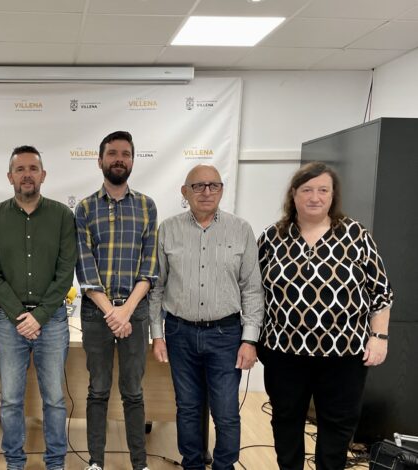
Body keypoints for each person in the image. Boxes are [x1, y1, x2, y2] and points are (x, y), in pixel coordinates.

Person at [257, 162, 393, 470]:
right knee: (285, 421)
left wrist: (379, 337)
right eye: (307, 190)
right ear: (293, 195)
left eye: (323, 190)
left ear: (333, 195)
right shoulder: (272, 237)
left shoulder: (356, 235)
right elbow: (254, 293)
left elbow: (381, 292)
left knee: (338, 425)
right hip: (284, 352)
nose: (315, 197)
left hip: (344, 355)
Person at [150, 164, 264, 470]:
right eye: (198, 186)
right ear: (184, 192)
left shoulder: (241, 230)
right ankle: (193, 465)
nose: (206, 192)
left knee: (225, 412)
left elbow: (252, 289)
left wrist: (250, 340)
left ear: (222, 190)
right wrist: (157, 335)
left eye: (214, 185)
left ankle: (224, 466)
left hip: (226, 335)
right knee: (187, 408)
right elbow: (157, 287)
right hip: (179, 333)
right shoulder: (168, 230)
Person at [0, 146, 77, 470]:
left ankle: (56, 463)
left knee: (55, 399)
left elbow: (65, 273)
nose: (26, 175)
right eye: (19, 169)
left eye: (33, 168)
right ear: (9, 177)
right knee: (10, 400)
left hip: (52, 321)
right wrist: (20, 316)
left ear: (43, 175)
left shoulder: (62, 216)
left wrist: (39, 316)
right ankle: (14, 462)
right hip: (10, 321)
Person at [75, 131, 157, 470]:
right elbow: (85, 266)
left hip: (135, 312)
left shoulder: (147, 206)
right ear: (100, 161)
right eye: (112, 153)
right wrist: (112, 312)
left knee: (133, 391)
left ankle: (140, 464)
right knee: (98, 390)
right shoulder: (84, 208)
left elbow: (149, 267)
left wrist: (126, 311)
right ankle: (96, 462)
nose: (119, 159)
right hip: (97, 314)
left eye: (125, 153)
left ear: (133, 161)